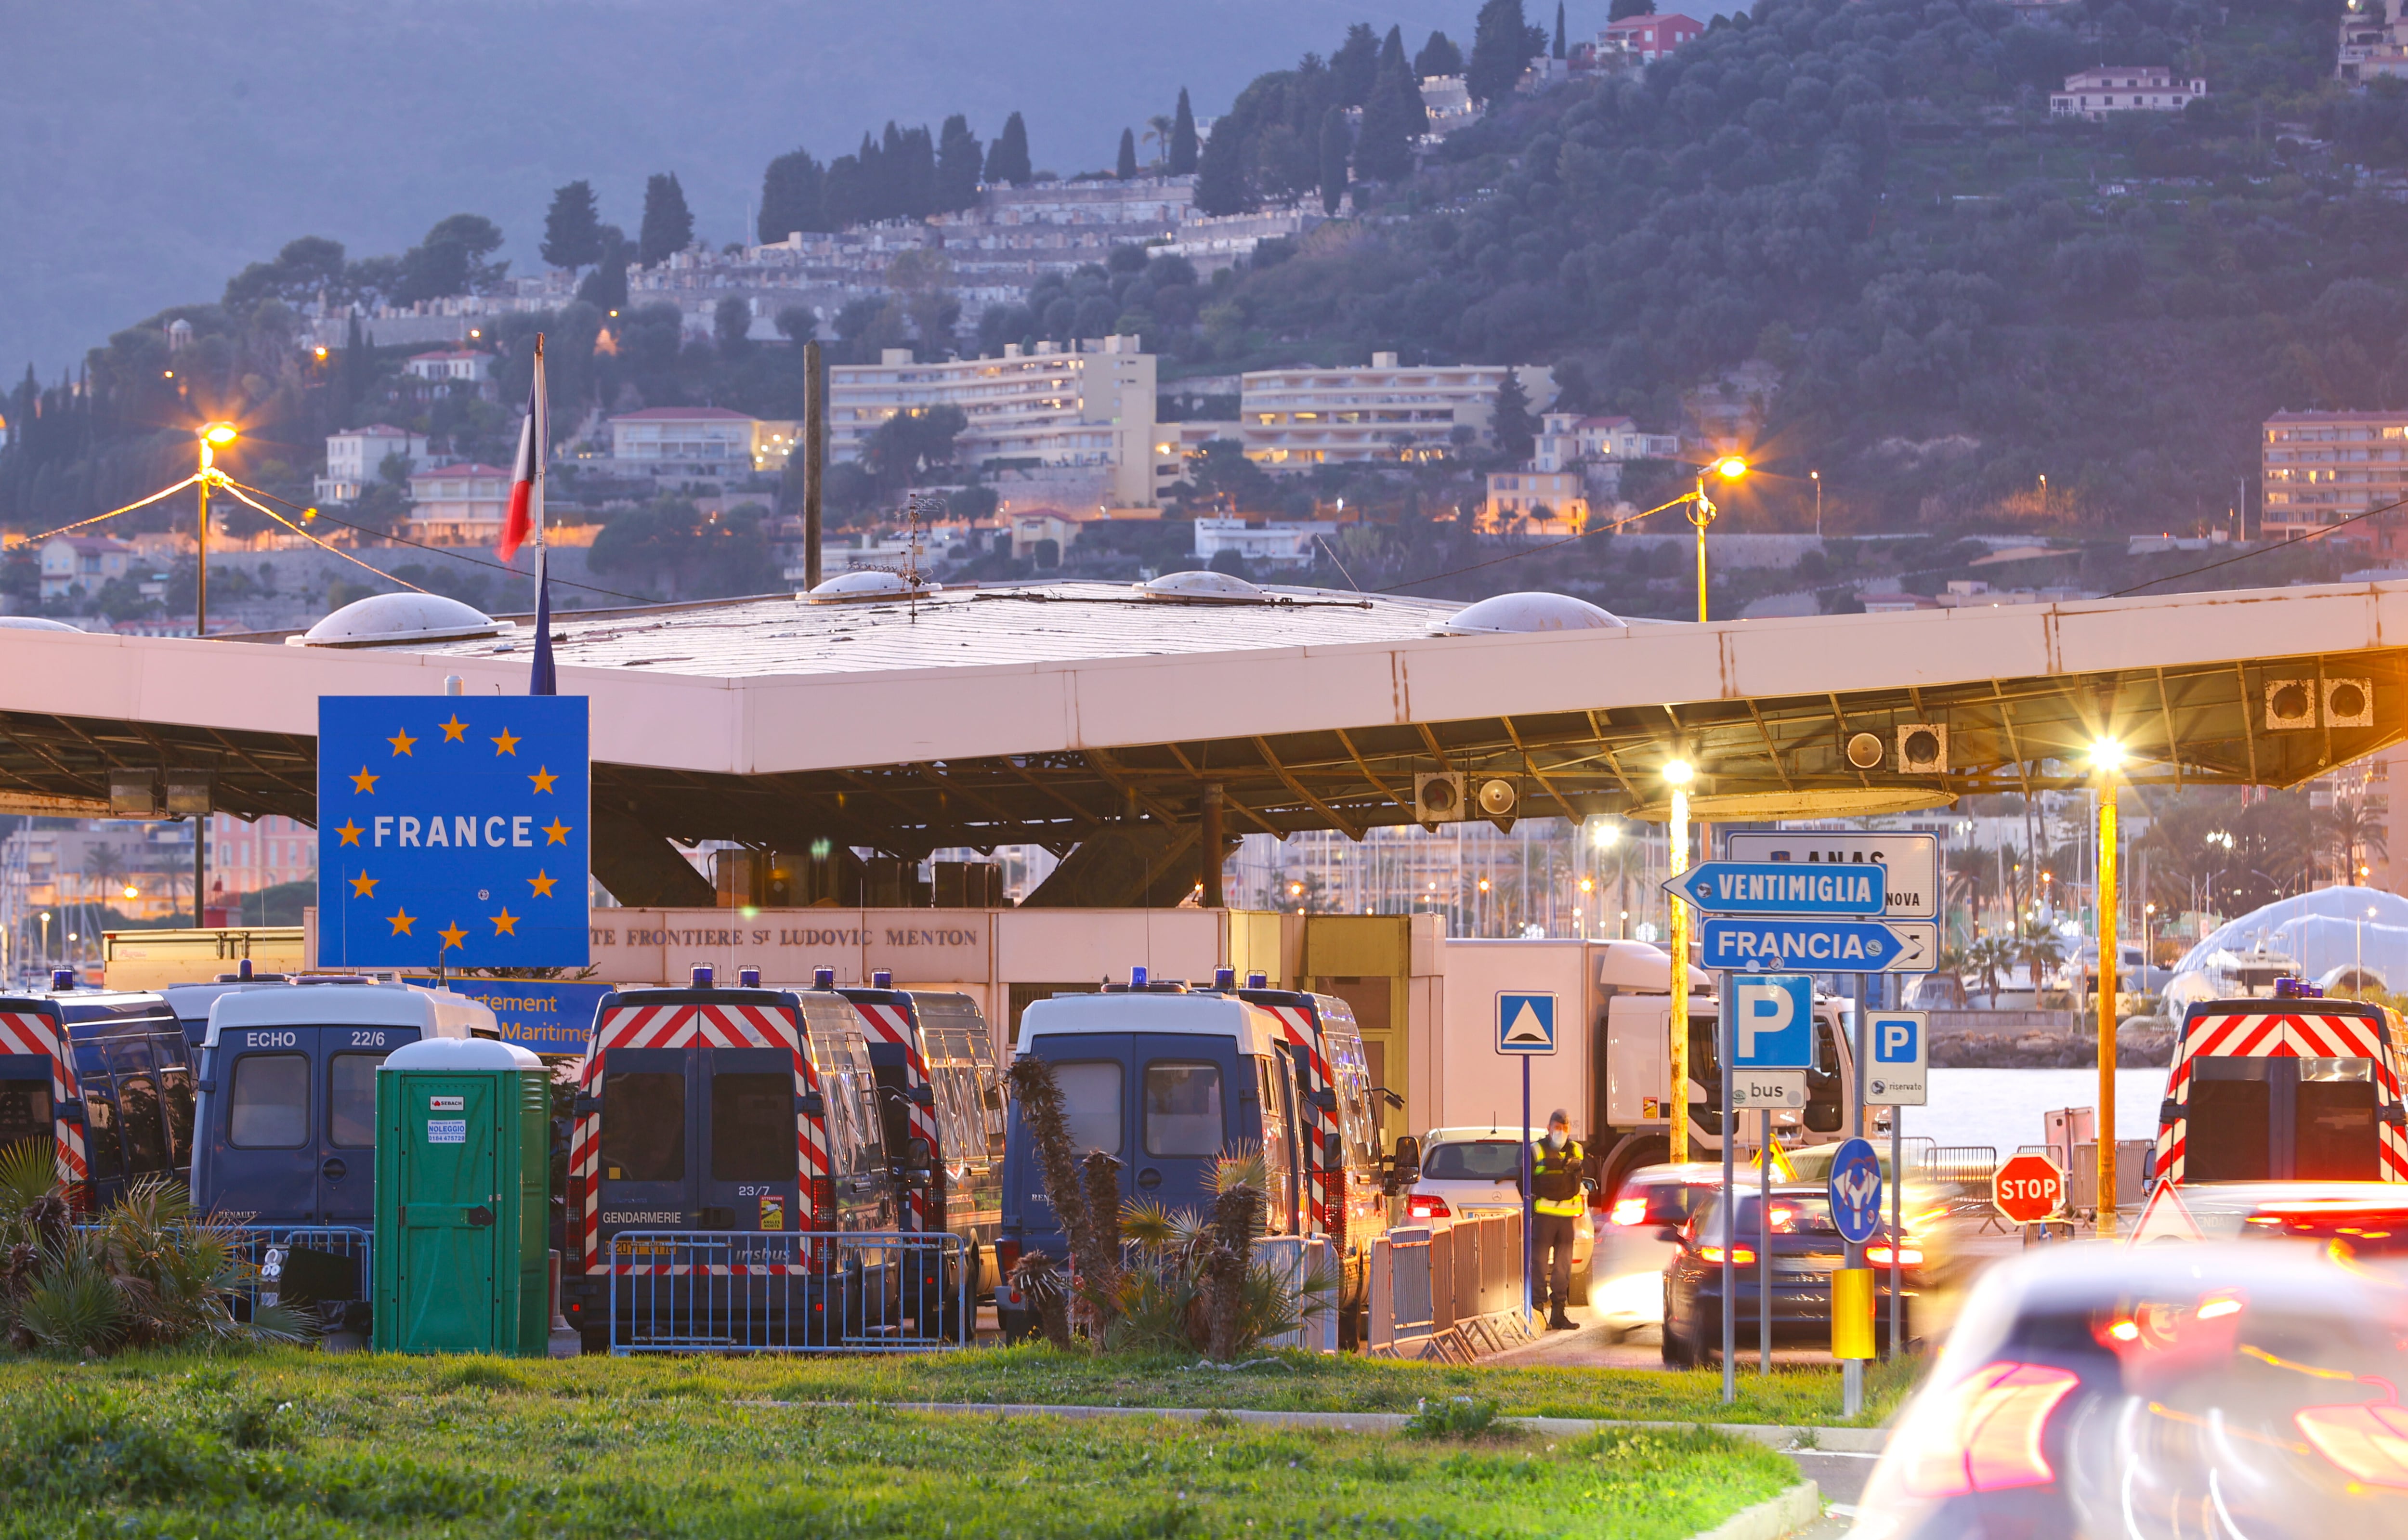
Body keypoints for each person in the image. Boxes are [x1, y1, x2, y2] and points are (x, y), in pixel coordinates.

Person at [1531, 1109, 1585, 1330]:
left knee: (1563, 1268)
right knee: (1539, 1265)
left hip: (1566, 1220)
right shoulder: (1537, 1149)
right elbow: (1524, 1182)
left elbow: (1579, 1178)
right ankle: (1537, 1313)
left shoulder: (1577, 1150)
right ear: (1549, 1128)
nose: (1561, 1132)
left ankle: (1559, 1314)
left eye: (1564, 1128)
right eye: (1557, 1128)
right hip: (1545, 1218)